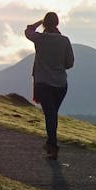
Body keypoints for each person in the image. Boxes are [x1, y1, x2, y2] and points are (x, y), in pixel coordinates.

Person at [25, 12, 74, 160]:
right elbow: (70, 63)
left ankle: (53, 147)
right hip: (60, 84)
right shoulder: (65, 41)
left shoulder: (40, 39)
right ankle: (50, 144)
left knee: (50, 115)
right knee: (52, 115)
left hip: (43, 83)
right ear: (57, 24)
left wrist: (39, 22)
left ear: (46, 24)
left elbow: (28, 31)